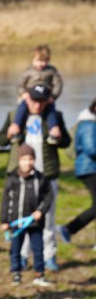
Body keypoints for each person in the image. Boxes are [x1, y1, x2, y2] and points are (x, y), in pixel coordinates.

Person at [0, 85, 71, 272]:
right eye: (34, 101)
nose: (37, 105)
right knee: (22, 217)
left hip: (46, 176)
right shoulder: (15, 116)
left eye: (42, 101)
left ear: (48, 101)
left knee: (47, 218)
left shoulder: (54, 117)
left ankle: (49, 256)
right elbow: (1, 140)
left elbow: (67, 142)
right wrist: (9, 133)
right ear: (26, 99)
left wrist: (59, 136)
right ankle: (21, 256)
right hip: (21, 177)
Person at [0, 144, 52, 287]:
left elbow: (48, 197)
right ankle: (16, 273)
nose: (27, 162)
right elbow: (5, 201)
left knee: (38, 248)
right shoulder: (12, 179)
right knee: (15, 248)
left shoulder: (41, 179)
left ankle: (39, 274)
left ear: (34, 160)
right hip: (17, 222)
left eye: (30, 159)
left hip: (35, 223)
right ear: (19, 160)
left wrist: (40, 211)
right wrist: (4, 221)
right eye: (24, 159)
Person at [8, 44, 63, 144]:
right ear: (33, 60)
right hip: (29, 96)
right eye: (38, 61)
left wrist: (53, 96)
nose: (41, 64)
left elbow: (58, 85)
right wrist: (23, 93)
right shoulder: (28, 72)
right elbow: (20, 84)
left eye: (44, 61)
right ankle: (16, 127)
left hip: (46, 97)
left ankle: (53, 130)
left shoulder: (51, 71)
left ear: (48, 60)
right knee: (22, 108)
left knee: (51, 110)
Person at [59, 98, 96, 245]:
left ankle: (69, 229)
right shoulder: (88, 124)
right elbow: (91, 149)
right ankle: (68, 229)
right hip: (89, 169)